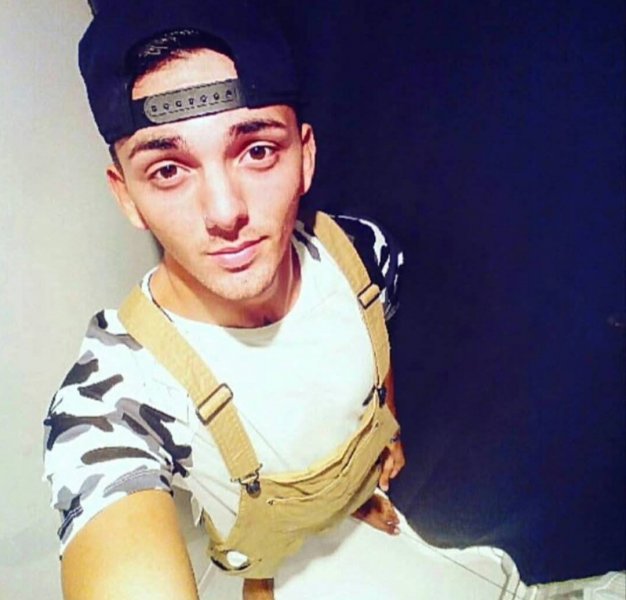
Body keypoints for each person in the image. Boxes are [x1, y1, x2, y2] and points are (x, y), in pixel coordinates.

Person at [43, 2, 624, 599]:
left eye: (257, 150)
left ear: (305, 156)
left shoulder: (360, 254)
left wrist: (387, 429)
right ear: (127, 196)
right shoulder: (114, 396)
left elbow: (376, 329)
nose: (225, 212)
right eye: (168, 169)